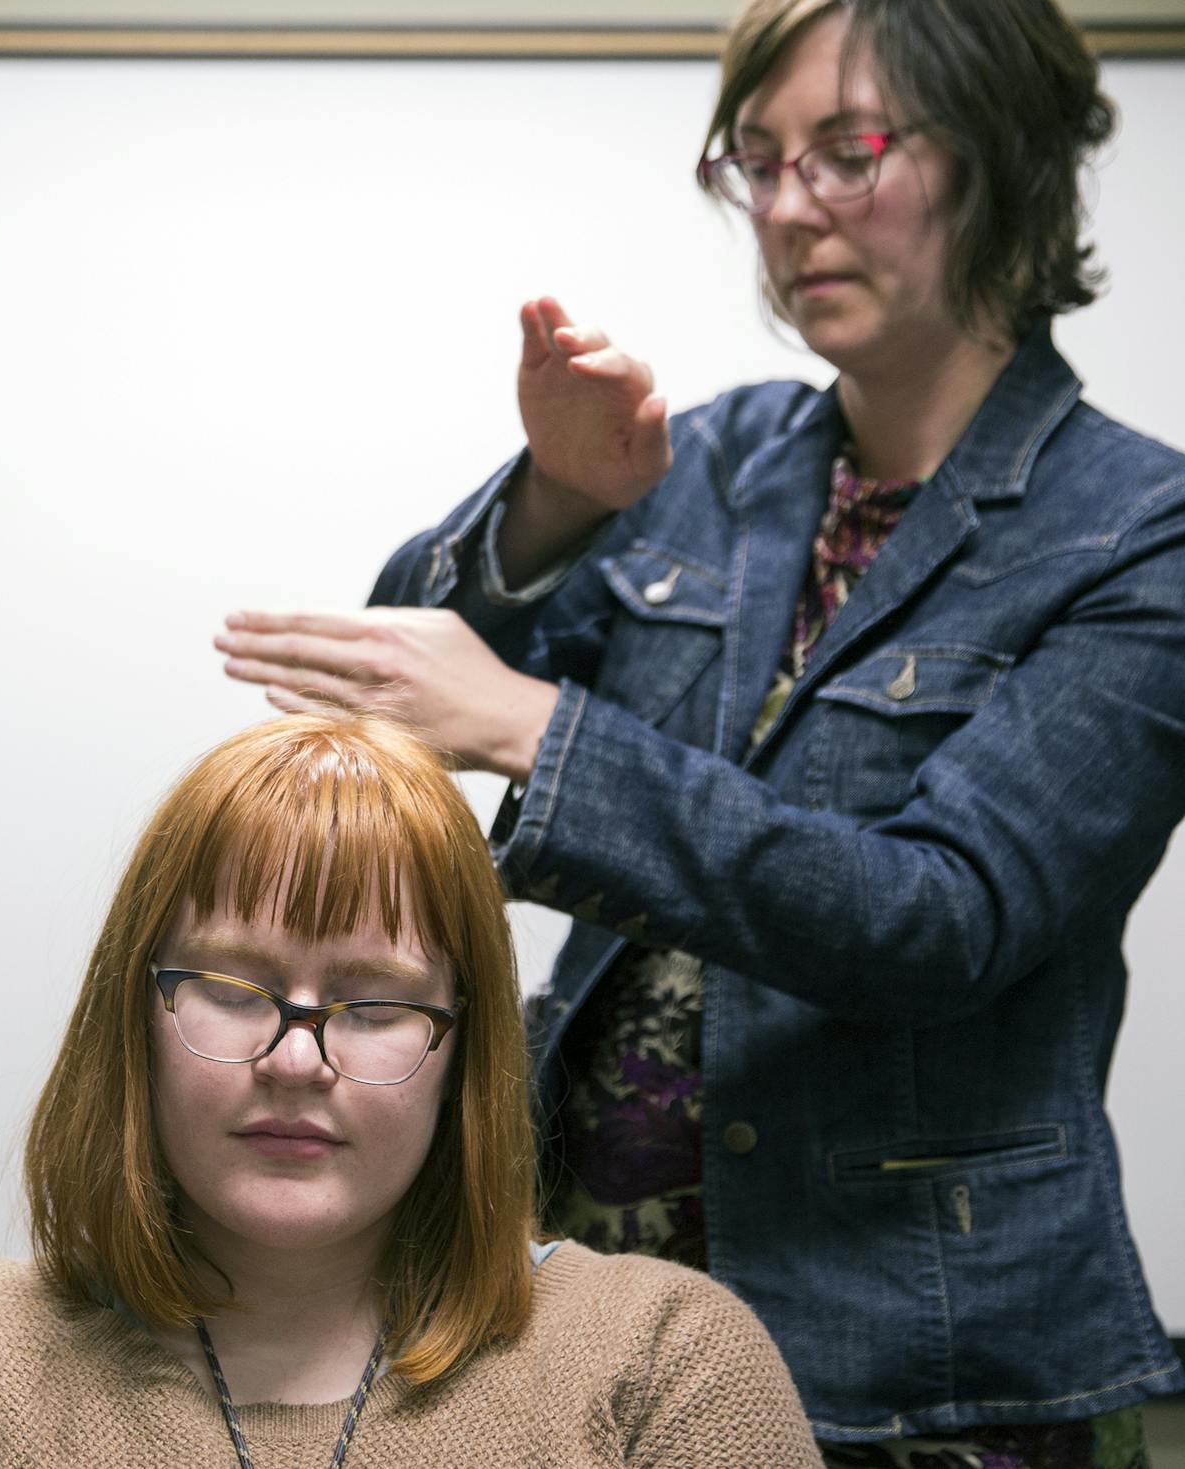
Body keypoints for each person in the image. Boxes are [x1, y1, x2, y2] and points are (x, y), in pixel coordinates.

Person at [211, 0, 1185, 1460]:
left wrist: (547, 733)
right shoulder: (719, 456)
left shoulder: (1137, 531)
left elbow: (940, 917)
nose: (793, 211)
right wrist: (552, 500)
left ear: (1004, 155)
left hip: (920, 1373)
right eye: (759, 162)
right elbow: (406, 680)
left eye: (848, 152)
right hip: (584, 1316)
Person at [0, 712, 819, 1468]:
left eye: (373, 1003)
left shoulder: (663, 1363)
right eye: (231, 986)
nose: (295, 1059)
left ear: (465, 1051)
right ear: (131, 1016)